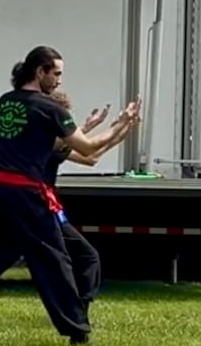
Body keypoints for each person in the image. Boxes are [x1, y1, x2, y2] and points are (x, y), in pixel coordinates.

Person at [0, 45, 138, 346]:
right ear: (40, 72)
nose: (59, 80)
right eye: (56, 73)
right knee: (54, 262)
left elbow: (43, 142)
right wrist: (122, 124)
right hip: (26, 196)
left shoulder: (5, 102)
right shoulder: (50, 109)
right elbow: (88, 148)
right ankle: (77, 331)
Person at [42, 90, 140, 313]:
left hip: (45, 208)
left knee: (79, 257)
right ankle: (77, 311)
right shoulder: (45, 143)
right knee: (85, 257)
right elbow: (86, 150)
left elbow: (90, 157)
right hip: (41, 208)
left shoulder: (47, 142)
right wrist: (117, 126)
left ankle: (76, 309)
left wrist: (121, 129)